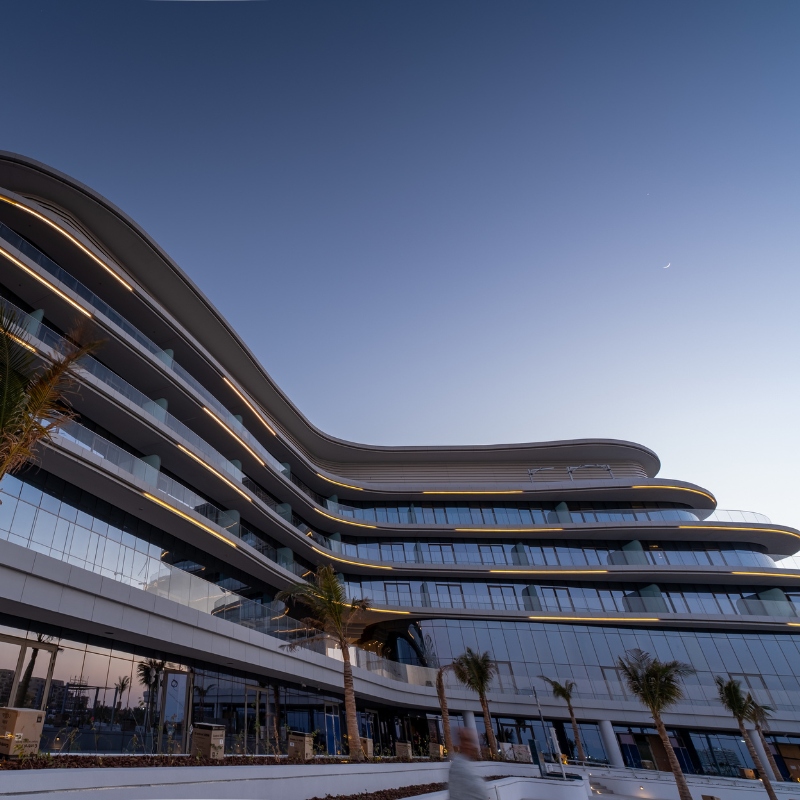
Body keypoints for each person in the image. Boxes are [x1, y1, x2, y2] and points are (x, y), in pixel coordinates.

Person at [448, 727, 489, 800]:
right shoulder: (459, 766)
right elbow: (479, 791)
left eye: (473, 741)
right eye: (467, 741)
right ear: (461, 743)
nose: (472, 745)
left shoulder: (464, 764)